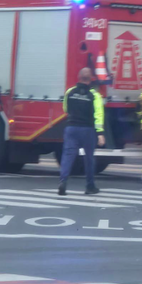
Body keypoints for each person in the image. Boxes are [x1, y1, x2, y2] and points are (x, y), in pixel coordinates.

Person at [58, 68, 105, 196]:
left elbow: (65, 109)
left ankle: (63, 181)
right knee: (89, 158)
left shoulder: (70, 92)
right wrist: (100, 132)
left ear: (79, 77)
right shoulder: (94, 95)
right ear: (90, 79)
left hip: (71, 128)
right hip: (87, 130)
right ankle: (90, 186)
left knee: (68, 155)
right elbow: (98, 115)